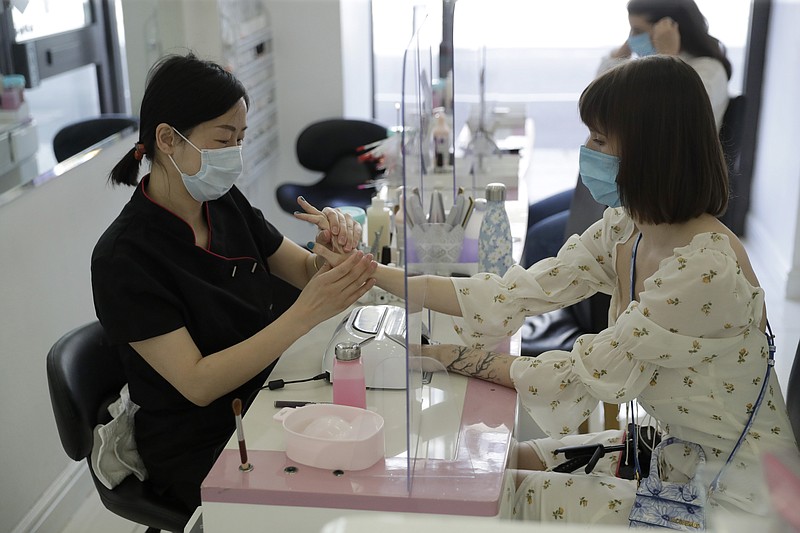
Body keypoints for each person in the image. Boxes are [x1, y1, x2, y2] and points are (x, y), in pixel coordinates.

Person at [314, 55, 796, 525]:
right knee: (496, 465)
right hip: (673, 453)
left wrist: (442, 355)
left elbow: (573, 373)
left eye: (599, 139)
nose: (586, 150)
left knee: (503, 495)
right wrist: (371, 271)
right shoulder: (628, 229)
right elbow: (512, 292)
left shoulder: (703, 269)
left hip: (735, 496)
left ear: (650, 150)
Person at [91, 53, 376, 514]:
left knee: (365, 461)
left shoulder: (223, 201)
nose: (235, 154)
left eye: (240, 138)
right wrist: (306, 313)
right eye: (224, 138)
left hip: (267, 395)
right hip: (200, 441)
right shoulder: (123, 258)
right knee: (335, 503)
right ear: (168, 139)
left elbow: (303, 272)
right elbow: (198, 384)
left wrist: (330, 252)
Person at [523, 0, 733, 268]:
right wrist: (628, 48)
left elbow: (669, 124)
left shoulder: (704, 72)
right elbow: (601, 103)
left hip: (652, 188)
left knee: (540, 238)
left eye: (638, 31)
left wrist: (668, 57)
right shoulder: (646, 68)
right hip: (622, 178)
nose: (635, 39)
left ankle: (568, 308)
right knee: (534, 214)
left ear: (668, 27)